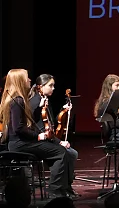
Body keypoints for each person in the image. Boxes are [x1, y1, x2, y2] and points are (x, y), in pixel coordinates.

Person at [0, 69, 73, 198]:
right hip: (20, 144)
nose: (29, 80)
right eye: (27, 78)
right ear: (20, 81)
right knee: (60, 152)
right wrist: (38, 136)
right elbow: (18, 128)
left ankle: (61, 189)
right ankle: (55, 191)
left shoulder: (17, 99)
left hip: (21, 142)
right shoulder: (17, 100)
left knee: (58, 150)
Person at [27, 74, 79, 197]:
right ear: (40, 86)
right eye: (50, 85)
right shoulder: (35, 101)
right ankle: (57, 189)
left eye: (53, 85)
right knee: (68, 153)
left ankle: (65, 187)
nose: (53, 88)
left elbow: (52, 124)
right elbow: (41, 129)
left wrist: (63, 111)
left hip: (47, 138)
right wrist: (59, 142)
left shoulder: (45, 99)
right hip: (38, 140)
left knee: (72, 153)